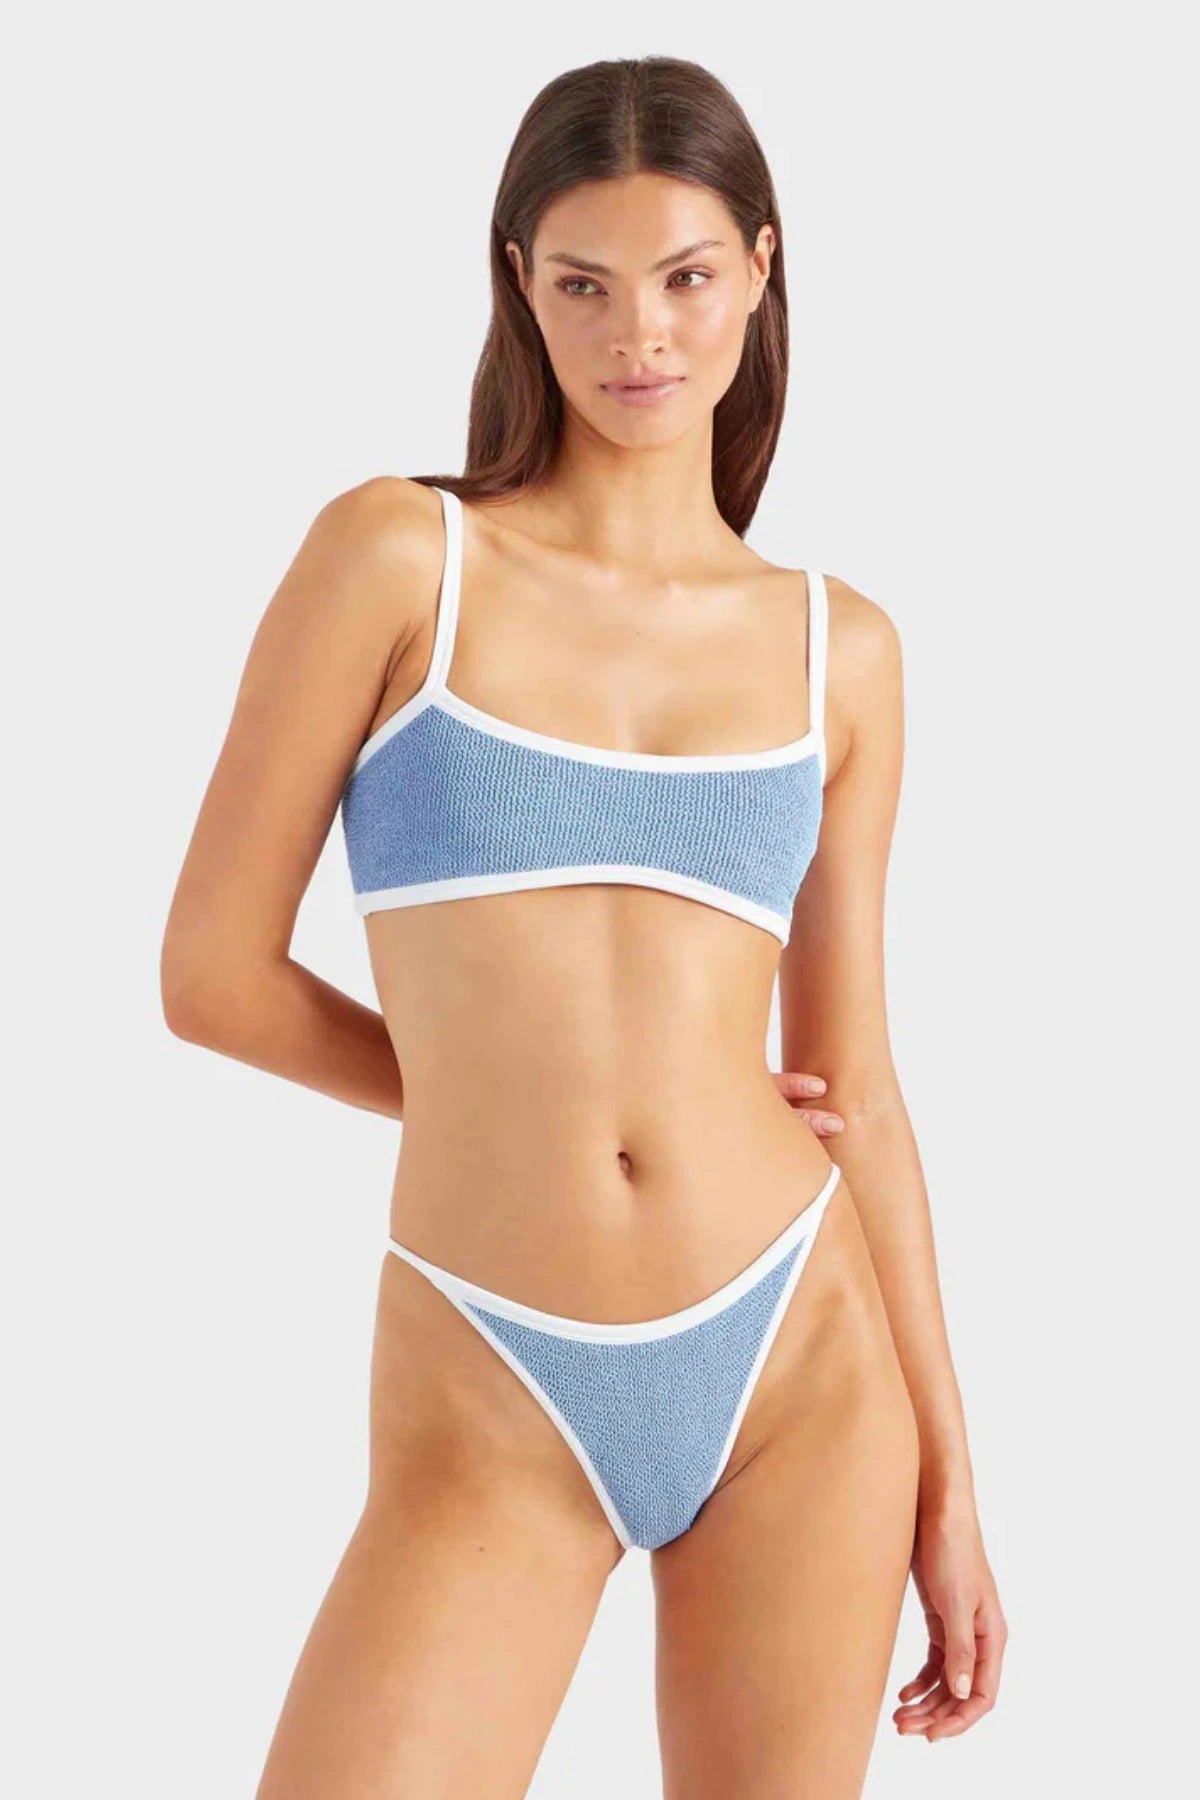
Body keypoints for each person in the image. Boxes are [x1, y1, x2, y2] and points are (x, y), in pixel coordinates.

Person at [162, 53, 1006, 1800]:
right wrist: (503, 1100)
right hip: (492, 1361)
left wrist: (952, 1479)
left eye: (686, 276)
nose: (641, 335)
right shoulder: (399, 559)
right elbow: (212, 979)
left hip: (798, 1359)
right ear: (518, 285)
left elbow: (857, 1086)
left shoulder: (838, 651)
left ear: (760, 269)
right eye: (584, 284)